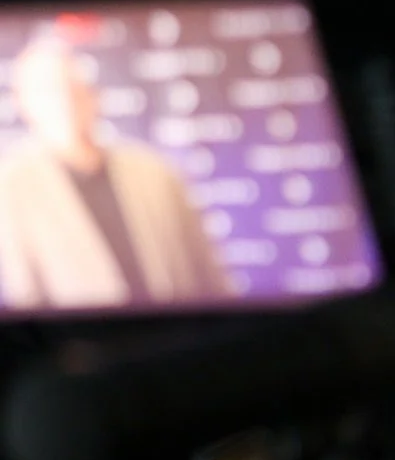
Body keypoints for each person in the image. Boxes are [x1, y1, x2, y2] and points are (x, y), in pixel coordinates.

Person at [0, 27, 231, 310]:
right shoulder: (12, 189)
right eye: (48, 92)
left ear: (94, 95)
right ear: (24, 103)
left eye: (73, 88)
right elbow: (27, 298)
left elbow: (209, 274)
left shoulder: (156, 171)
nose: (64, 102)